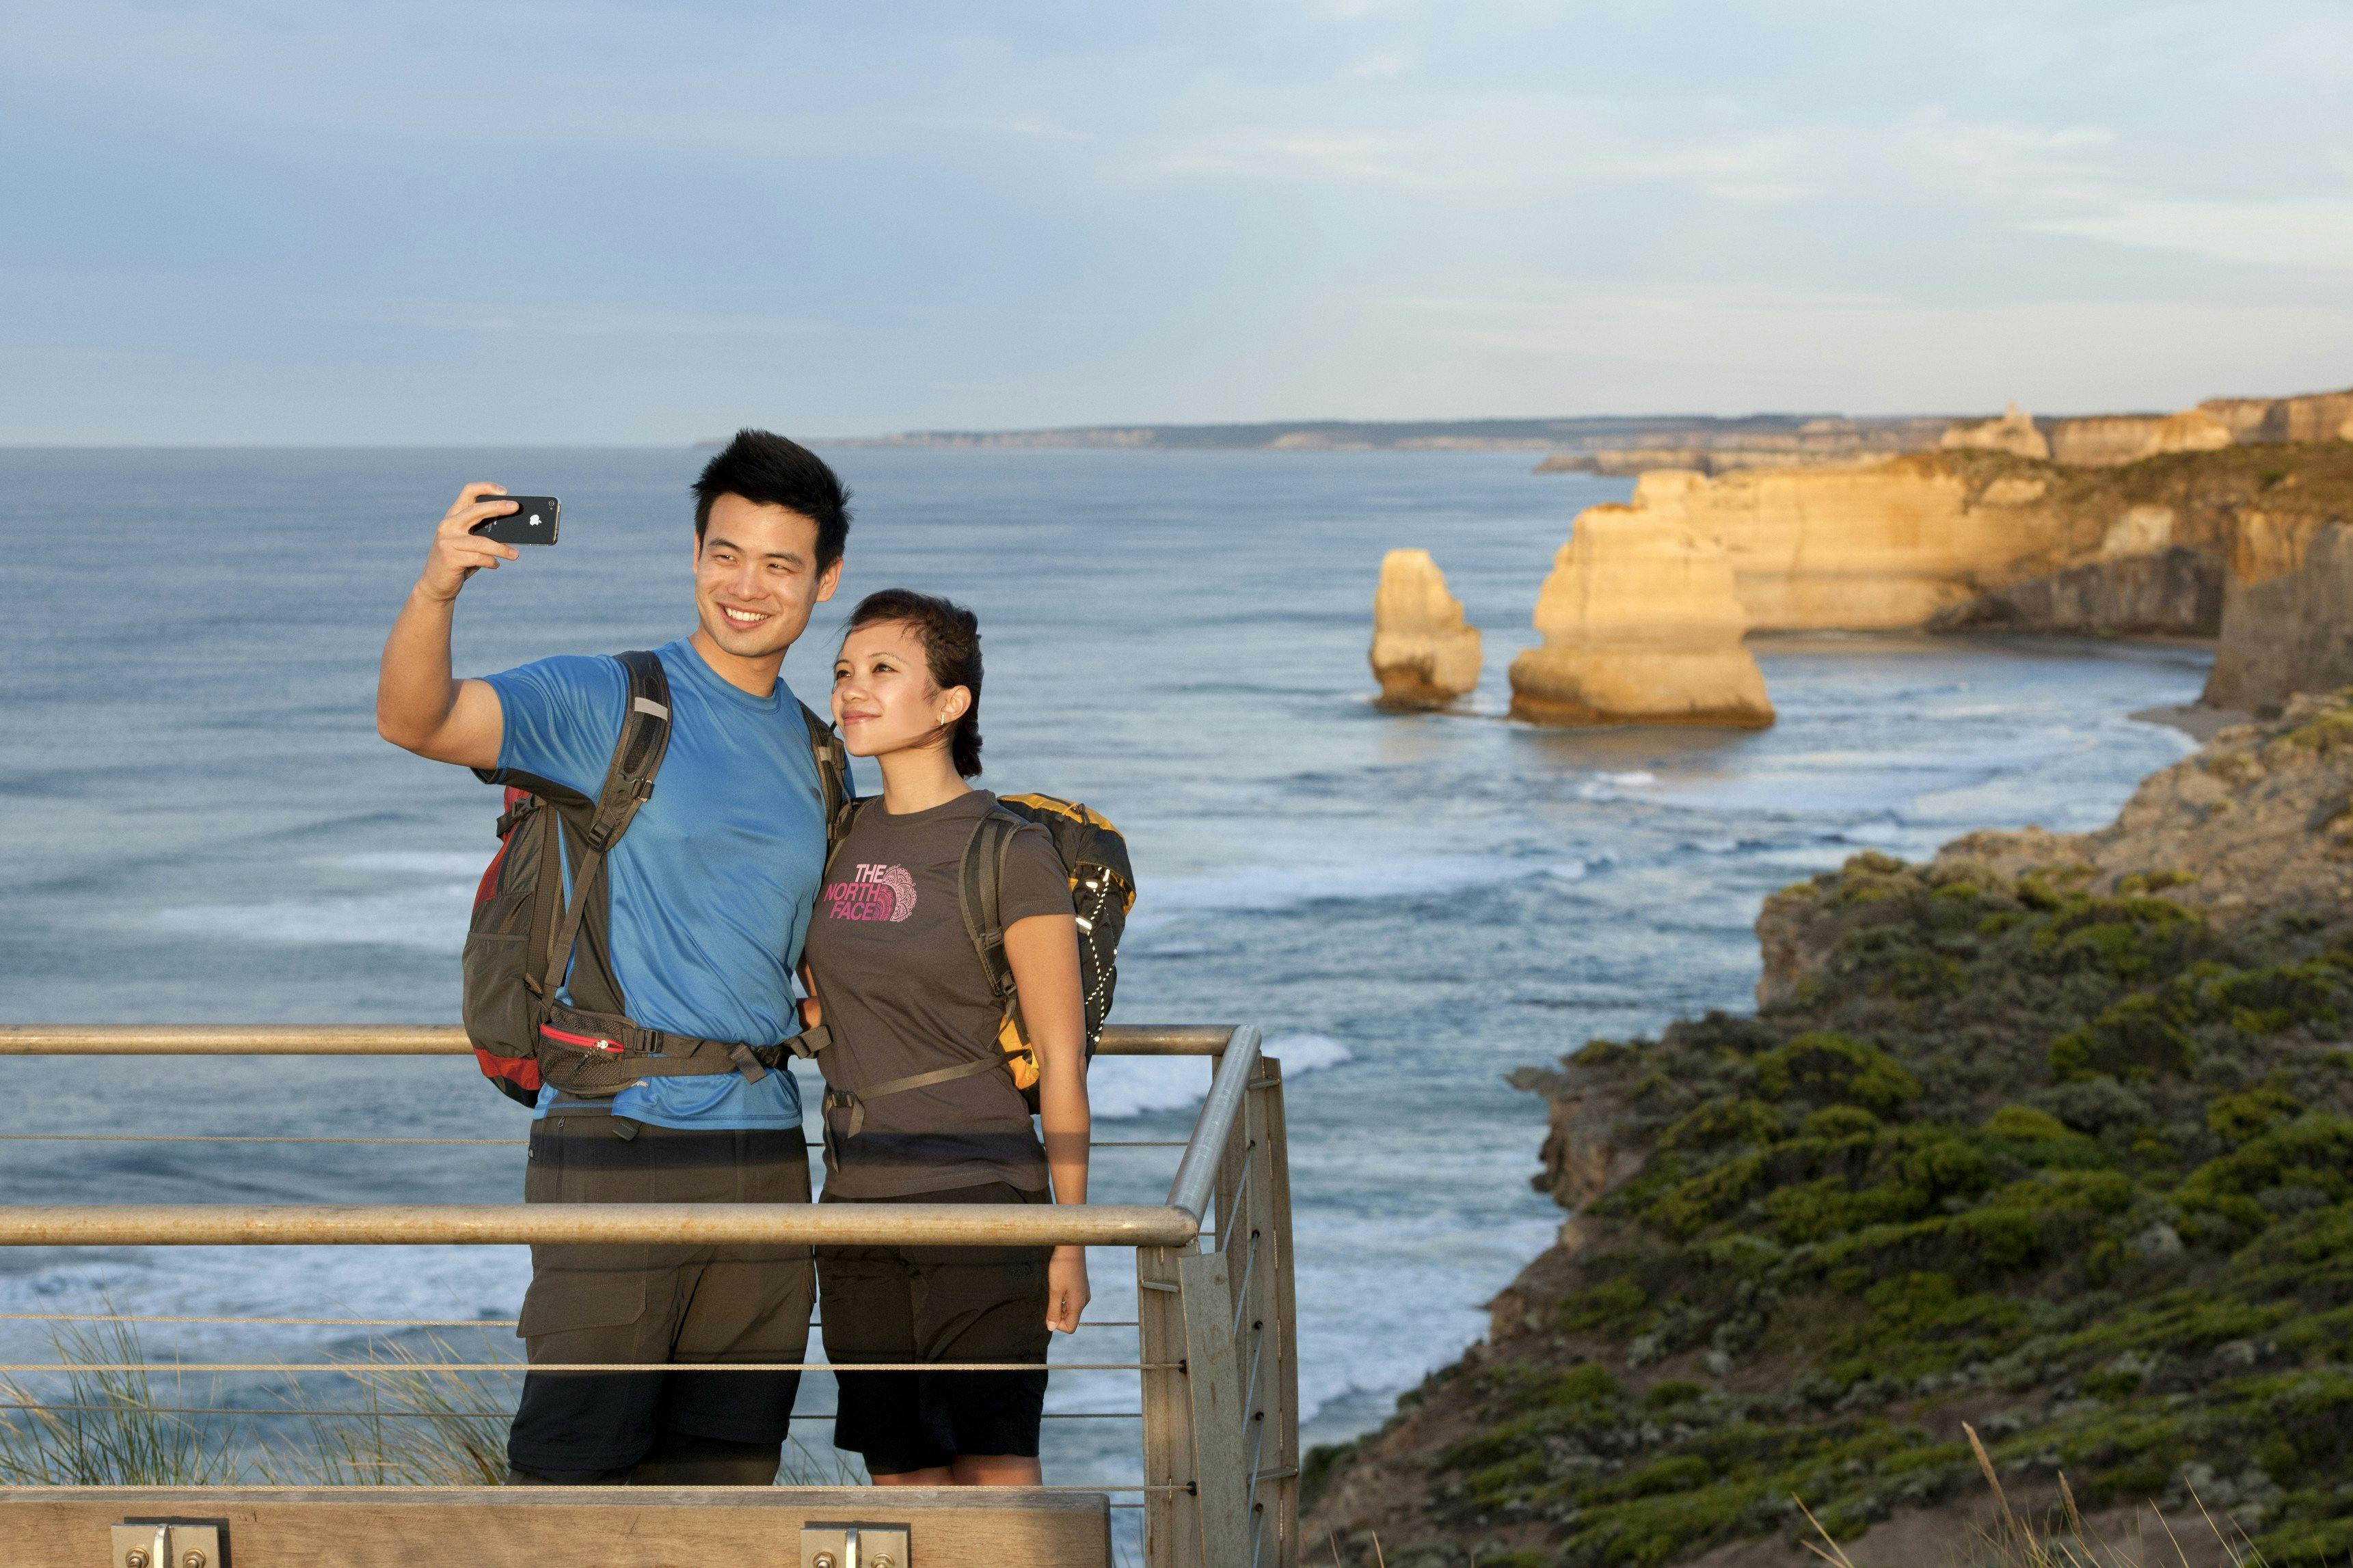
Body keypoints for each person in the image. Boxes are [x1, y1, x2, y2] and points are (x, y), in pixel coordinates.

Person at [373, 429, 848, 1485]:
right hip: (619, 1136)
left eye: (779, 564)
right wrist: (437, 585)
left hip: (768, 1149)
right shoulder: (612, 702)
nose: (746, 586)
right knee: (576, 1476)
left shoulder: (820, 749)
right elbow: (416, 718)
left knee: (727, 1474)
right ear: (694, 554)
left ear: (824, 579)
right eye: (725, 553)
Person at [801, 589, 1092, 1486]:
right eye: (845, 671)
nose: (854, 689)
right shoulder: (837, 833)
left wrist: (1071, 1234)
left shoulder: (1007, 848)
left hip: (978, 1196)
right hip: (853, 1205)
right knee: (900, 1477)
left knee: (995, 1472)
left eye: (884, 670)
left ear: (950, 702)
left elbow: (1061, 1059)